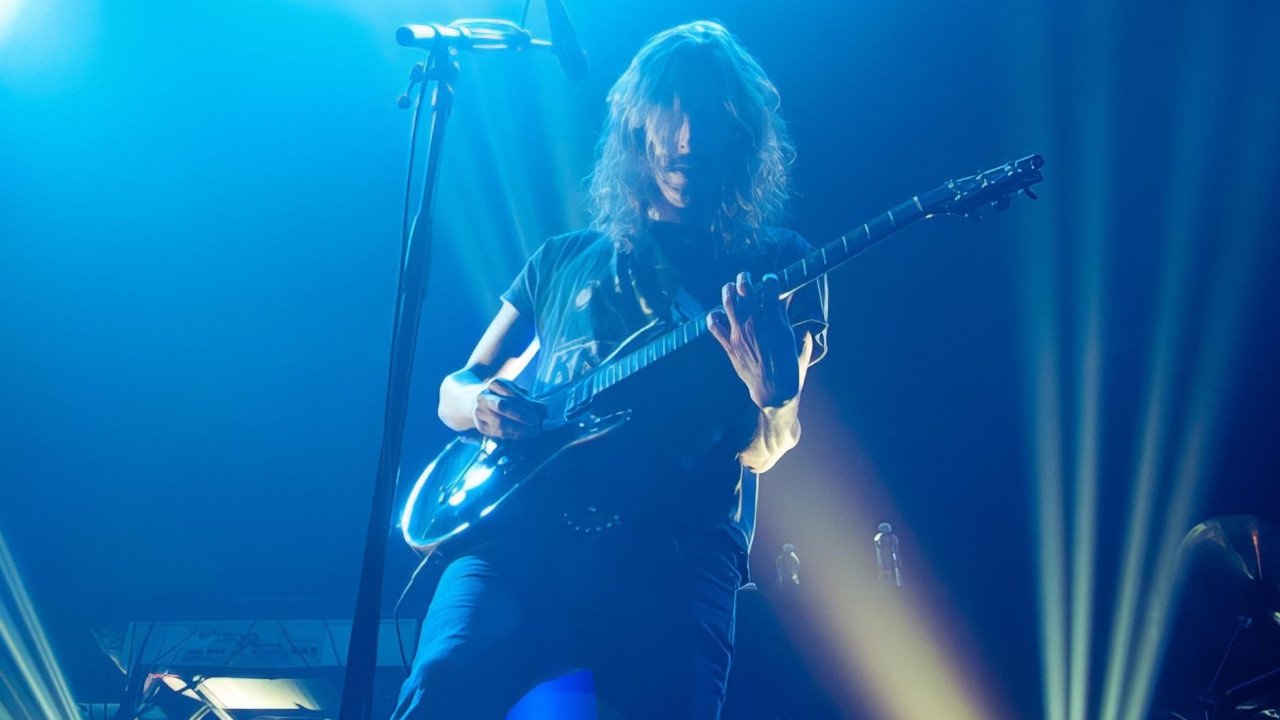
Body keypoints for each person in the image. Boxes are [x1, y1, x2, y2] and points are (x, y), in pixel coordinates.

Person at [393, 20, 828, 719]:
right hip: (519, 539)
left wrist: (775, 400)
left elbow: (765, 448)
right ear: (636, 125)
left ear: (741, 134)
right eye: (670, 110)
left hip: (673, 556)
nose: (687, 138)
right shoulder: (563, 258)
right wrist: (483, 406)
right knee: (442, 684)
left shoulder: (780, 264)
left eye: (709, 116)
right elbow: (456, 387)